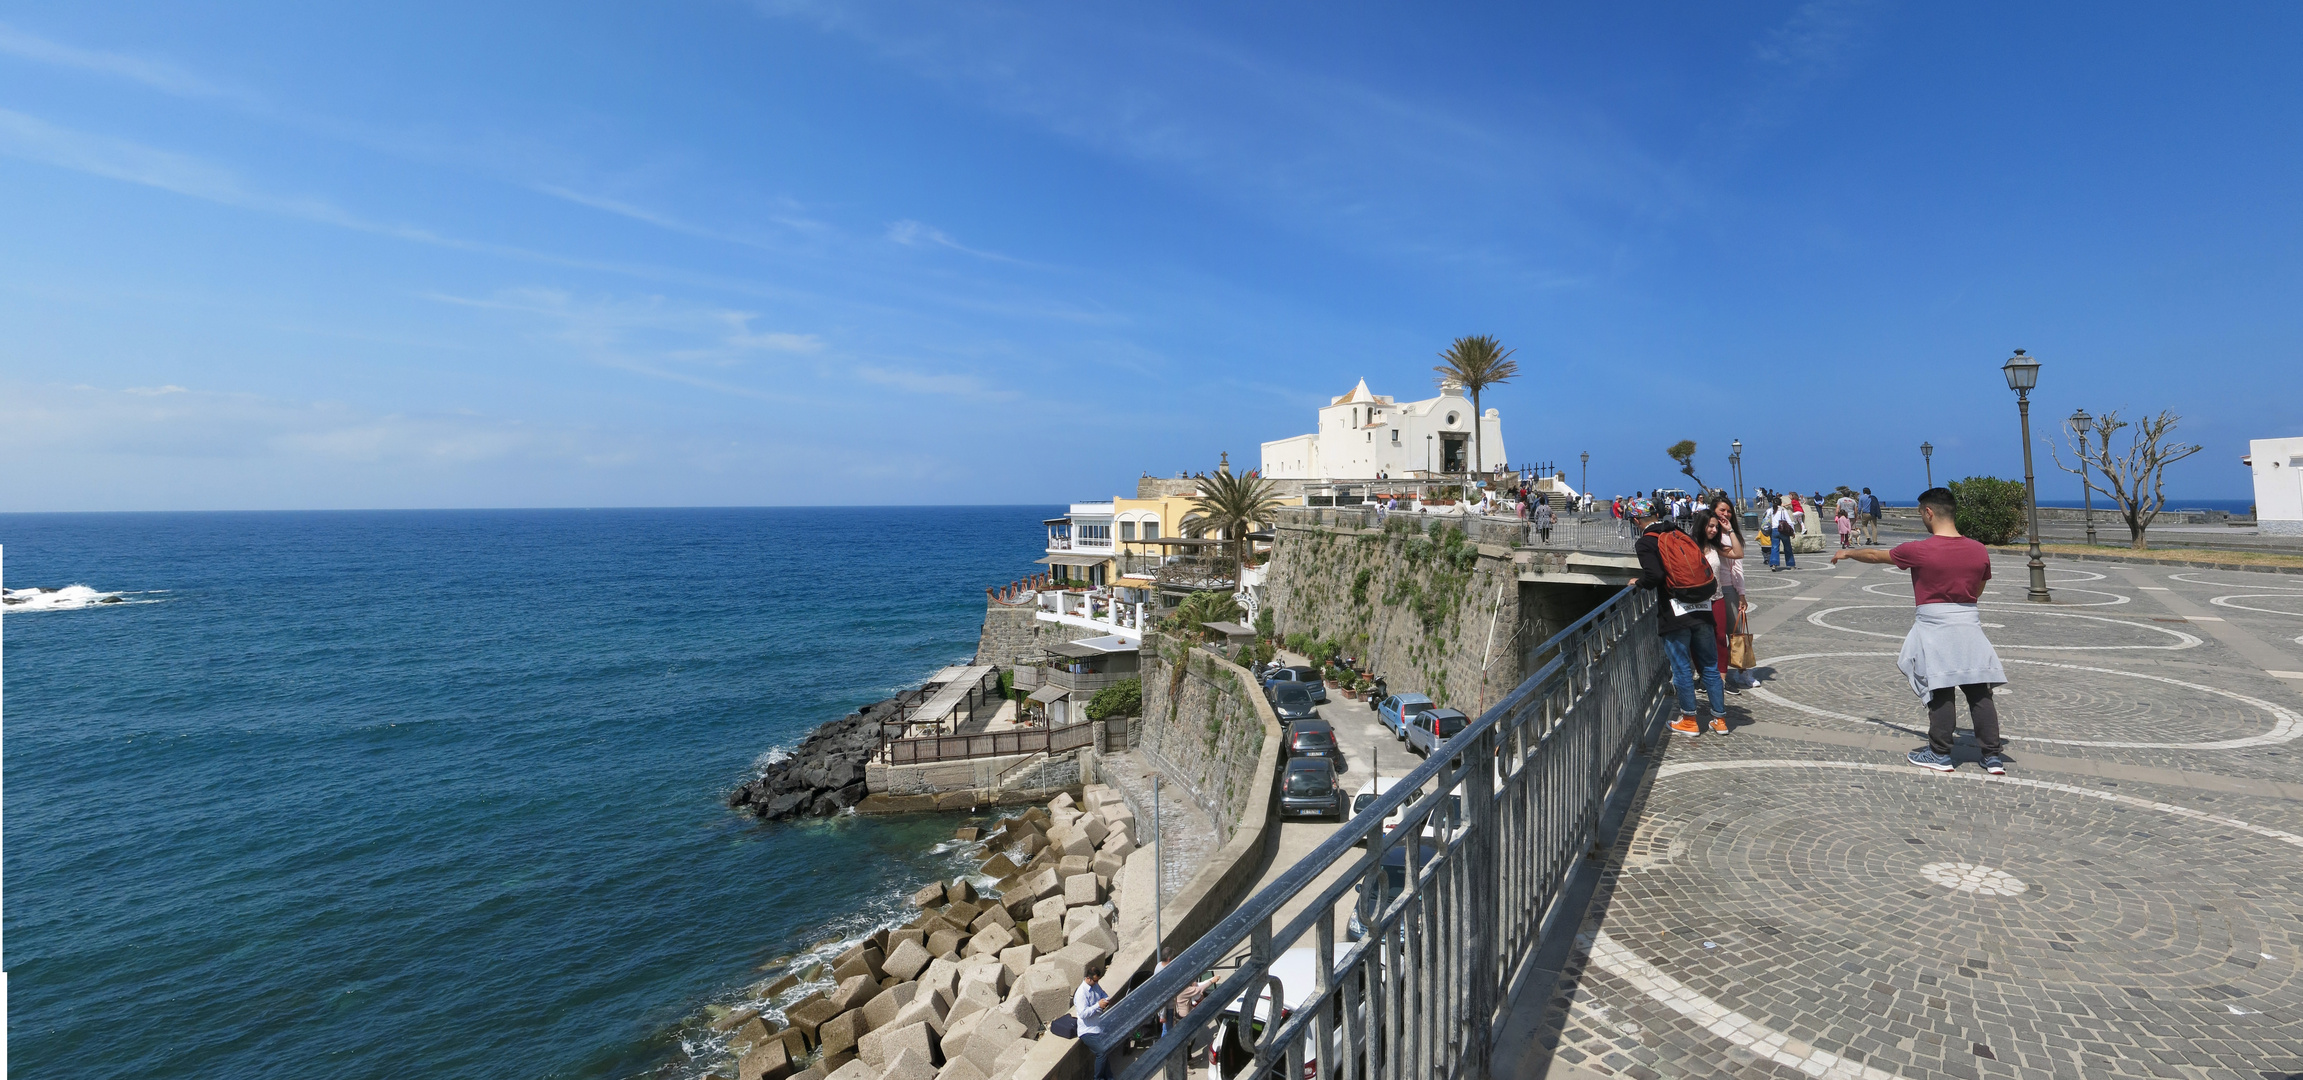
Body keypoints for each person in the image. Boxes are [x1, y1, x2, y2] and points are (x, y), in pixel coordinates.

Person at [1832, 487, 2009, 774]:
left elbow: (1876, 556)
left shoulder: (1919, 549)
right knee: (1979, 690)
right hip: (1968, 623)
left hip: (1935, 626)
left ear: (1929, 512)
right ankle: (1992, 756)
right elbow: (1978, 589)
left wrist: (1848, 553)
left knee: (1939, 686)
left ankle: (1939, 753)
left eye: (1921, 513)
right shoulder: (1978, 550)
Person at [1632, 501, 1728, 736]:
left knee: (1682, 668)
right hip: (1702, 608)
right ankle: (1720, 720)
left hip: (1675, 613)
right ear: (1656, 514)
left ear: (1636, 521)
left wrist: (1639, 582)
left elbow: (1655, 575)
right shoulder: (1677, 532)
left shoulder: (1646, 542)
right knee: (1709, 666)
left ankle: (1689, 720)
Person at [1701, 496, 1755, 692]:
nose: (1725, 514)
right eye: (1721, 510)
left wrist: (1741, 594)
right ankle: (1711, 674)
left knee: (1736, 632)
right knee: (1712, 634)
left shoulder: (1729, 536)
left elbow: (1738, 563)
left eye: (1728, 511)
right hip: (1709, 591)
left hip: (1728, 588)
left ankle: (1743, 671)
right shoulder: (1710, 535)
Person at [1074, 962, 1118, 1079]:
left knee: (1105, 1051)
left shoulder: (1095, 986)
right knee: (1102, 1052)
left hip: (1097, 1027)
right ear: (1088, 978)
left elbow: (1104, 994)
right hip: (1087, 1031)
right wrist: (1098, 1005)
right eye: (1094, 981)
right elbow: (1083, 1014)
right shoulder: (1081, 994)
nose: (1096, 983)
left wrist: (1106, 1001)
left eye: (1098, 981)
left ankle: (1109, 1077)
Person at [1769, 497, 1798, 570]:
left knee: (1774, 547)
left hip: (1774, 530)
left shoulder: (1770, 510)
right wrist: (1793, 532)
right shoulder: (1783, 510)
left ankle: (1774, 564)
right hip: (1783, 530)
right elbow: (1789, 521)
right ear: (1780, 503)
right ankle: (1791, 564)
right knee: (1787, 547)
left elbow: (1766, 520)